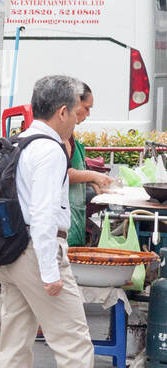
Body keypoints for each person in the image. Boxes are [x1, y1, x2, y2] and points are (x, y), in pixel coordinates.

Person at [0, 75, 138, 368]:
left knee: (15, 343)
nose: (79, 118)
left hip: (13, 253)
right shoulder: (50, 149)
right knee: (73, 341)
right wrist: (51, 273)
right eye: (77, 110)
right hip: (40, 252)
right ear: (63, 110)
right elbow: (44, 213)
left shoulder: (23, 141)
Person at [66, 82, 114, 246]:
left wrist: (92, 182)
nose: (87, 114)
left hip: (75, 218)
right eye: (86, 108)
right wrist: (94, 175)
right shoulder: (61, 136)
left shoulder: (70, 136)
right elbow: (65, 174)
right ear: (75, 103)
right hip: (65, 222)